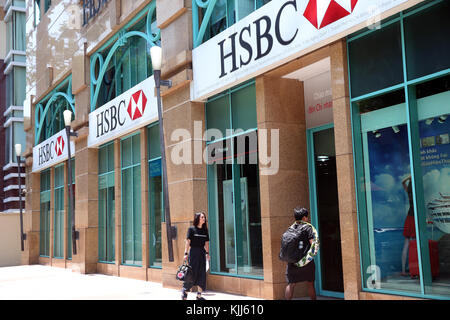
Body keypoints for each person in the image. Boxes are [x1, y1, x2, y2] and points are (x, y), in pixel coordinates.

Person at [285, 207, 318, 300]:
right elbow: (313, 244)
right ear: (304, 218)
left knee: (291, 284)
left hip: (292, 261)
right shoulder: (308, 228)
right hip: (306, 261)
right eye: (306, 217)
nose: (307, 219)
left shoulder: (290, 228)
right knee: (310, 283)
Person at [181, 212, 210, 300]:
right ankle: (185, 292)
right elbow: (188, 242)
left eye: (204, 217)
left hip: (202, 253)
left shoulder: (205, 231)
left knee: (202, 274)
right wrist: (185, 253)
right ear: (197, 218)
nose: (203, 219)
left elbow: (206, 243)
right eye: (202, 217)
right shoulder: (191, 229)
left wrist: (207, 253)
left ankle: (199, 296)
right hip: (193, 253)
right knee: (192, 273)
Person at [401, 175, 415, 277]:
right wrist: (412, 177)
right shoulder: (416, 193)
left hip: (408, 218)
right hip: (415, 219)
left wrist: (408, 177)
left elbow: (402, 182)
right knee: (415, 246)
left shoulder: (409, 192)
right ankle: (413, 269)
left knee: (406, 245)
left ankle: (403, 270)